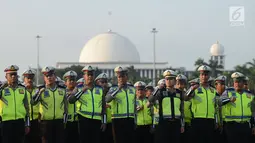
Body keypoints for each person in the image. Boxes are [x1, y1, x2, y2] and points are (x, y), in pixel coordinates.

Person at [68, 65, 106, 143]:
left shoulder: (100, 88)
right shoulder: (79, 87)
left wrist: (104, 121)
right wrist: (81, 91)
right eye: (88, 74)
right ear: (84, 76)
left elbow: (103, 106)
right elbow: (71, 100)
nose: (90, 76)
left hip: (96, 120)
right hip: (83, 119)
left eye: (91, 74)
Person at [31, 66, 67, 143]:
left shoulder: (62, 89)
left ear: (55, 76)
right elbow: (33, 102)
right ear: (44, 78)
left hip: (59, 122)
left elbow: (66, 107)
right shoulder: (40, 89)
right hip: (46, 123)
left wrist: (64, 121)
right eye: (46, 76)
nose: (49, 78)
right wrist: (39, 93)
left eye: (51, 75)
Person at [149, 70, 184, 143]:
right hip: (163, 123)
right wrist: (157, 89)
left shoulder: (179, 93)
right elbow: (149, 103)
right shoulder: (160, 92)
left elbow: (182, 109)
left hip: (176, 123)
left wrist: (182, 124)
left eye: (171, 79)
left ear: (175, 81)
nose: (168, 81)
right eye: (167, 79)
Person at [105, 66, 136, 143]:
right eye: (119, 77)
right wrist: (118, 89)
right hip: (117, 120)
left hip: (130, 119)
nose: (121, 78)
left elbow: (135, 104)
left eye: (123, 76)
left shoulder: (132, 89)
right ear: (117, 78)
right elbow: (107, 99)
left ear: (126, 77)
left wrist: (136, 119)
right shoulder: (113, 88)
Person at [186, 65, 216, 143]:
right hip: (197, 120)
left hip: (210, 120)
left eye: (206, 75)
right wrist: (192, 89)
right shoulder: (195, 88)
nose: (204, 77)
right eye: (202, 74)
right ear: (199, 75)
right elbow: (186, 98)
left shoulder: (213, 90)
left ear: (209, 76)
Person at [0, 65, 30, 143]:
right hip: (6, 122)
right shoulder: (2, 89)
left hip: (19, 122)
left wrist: (27, 124)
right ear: (6, 77)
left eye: (15, 74)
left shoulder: (22, 88)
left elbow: (26, 107)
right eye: (11, 75)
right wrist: (2, 87)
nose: (13, 76)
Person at [223, 72, 255, 143]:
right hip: (231, 126)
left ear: (243, 83)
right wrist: (229, 99)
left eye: (239, 82)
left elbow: (252, 111)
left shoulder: (249, 95)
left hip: (245, 126)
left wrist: (253, 125)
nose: (237, 84)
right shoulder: (228, 92)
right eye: (235, 82)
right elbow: (219, 102)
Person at [95, 73, 114, 143]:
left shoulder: (111, 94)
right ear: (97, 83)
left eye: (106, 82)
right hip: (98, 122)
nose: (104, 84)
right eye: (102, 82)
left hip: (110, 123)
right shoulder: (94, 94)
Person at [23, 69, 41, 143]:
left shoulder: (38, 90)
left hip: (36, 121)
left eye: (31, 78)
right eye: (28, 78)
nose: (30, 80)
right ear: (24, 79)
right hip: (25, 120)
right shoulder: (21, 90)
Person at [63, 70, 80, 143]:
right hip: (66, 122)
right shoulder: (62, 92)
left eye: (73, 80)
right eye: (70, 80)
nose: (72, 82)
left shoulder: (79, 92)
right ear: (65, 82)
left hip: (77, 121)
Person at [175, 74, 191, 143]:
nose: (179, 85)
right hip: (176, 122)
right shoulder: (172, 95)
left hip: (188, 122)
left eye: (181, 83)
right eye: (177, 83)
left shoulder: (189, 95)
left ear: (185, 84)